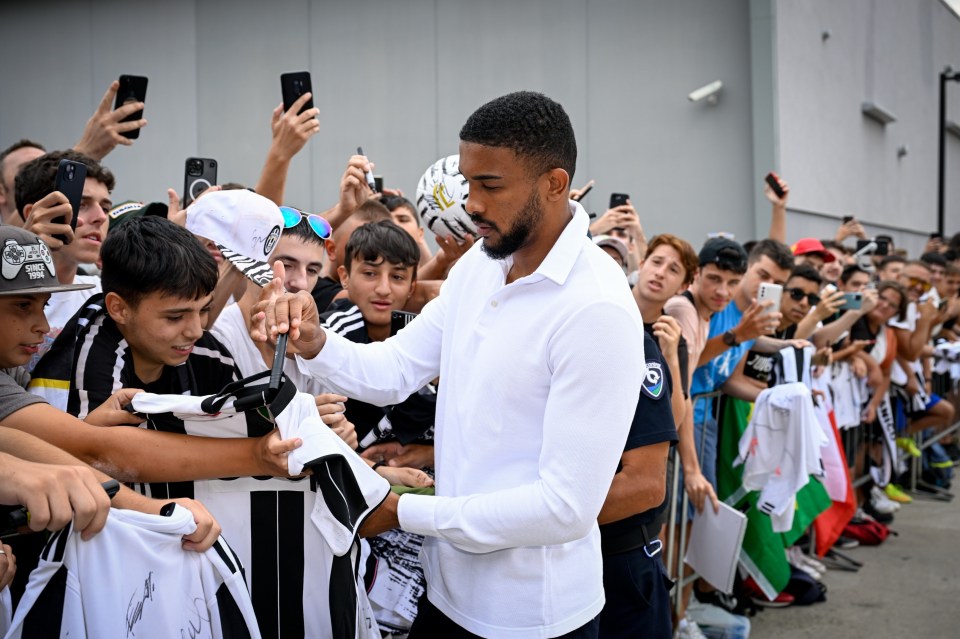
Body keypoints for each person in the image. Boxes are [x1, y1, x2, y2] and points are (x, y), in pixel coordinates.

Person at [252, 90, 645, 638]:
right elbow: (393, 372)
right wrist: (315, 342)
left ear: (553, 184)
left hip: (533, 619)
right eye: (467, 183)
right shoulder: (480, 268)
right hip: (444, 596)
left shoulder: (596, 307)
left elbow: (565, 509)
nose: (471, 205)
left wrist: (406, 512)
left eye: (490, 185)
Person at [13, 150, 113, 368]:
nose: (101, 217)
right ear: (34, 213)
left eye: (105, 207)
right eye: (83, 204)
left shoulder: (107, 295)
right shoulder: (5, 299)